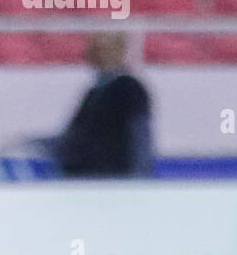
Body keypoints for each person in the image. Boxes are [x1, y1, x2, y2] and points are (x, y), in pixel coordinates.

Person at [39, 33, 155, 177]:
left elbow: (140, 134)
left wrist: (140, 176)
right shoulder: (94, 92)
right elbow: (77, 134)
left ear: (120, 52)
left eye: (107, 50)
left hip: (110, 178)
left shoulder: (129, 88)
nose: (102, 55)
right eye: (98, 50)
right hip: (85, 176)